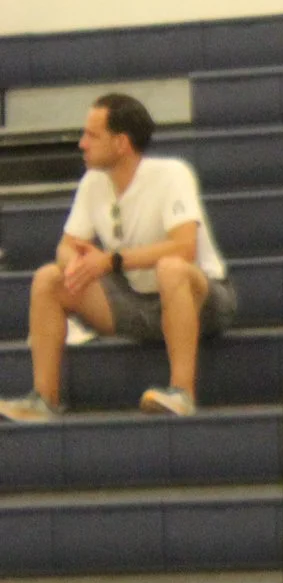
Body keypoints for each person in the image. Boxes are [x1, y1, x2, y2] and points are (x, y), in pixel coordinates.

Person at [0, 94, 238, 423]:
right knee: (48, 278)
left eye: (91, 136)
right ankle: (44, 399)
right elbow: (67, 245)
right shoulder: (93, 182)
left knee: (171, 269)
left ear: (121, 143)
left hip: (201, 299)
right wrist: (76, 263)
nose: (82, 144)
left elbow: (185, 249)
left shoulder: (172, 174)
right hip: (136, 301)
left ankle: (182, 392)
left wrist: (111, 261)